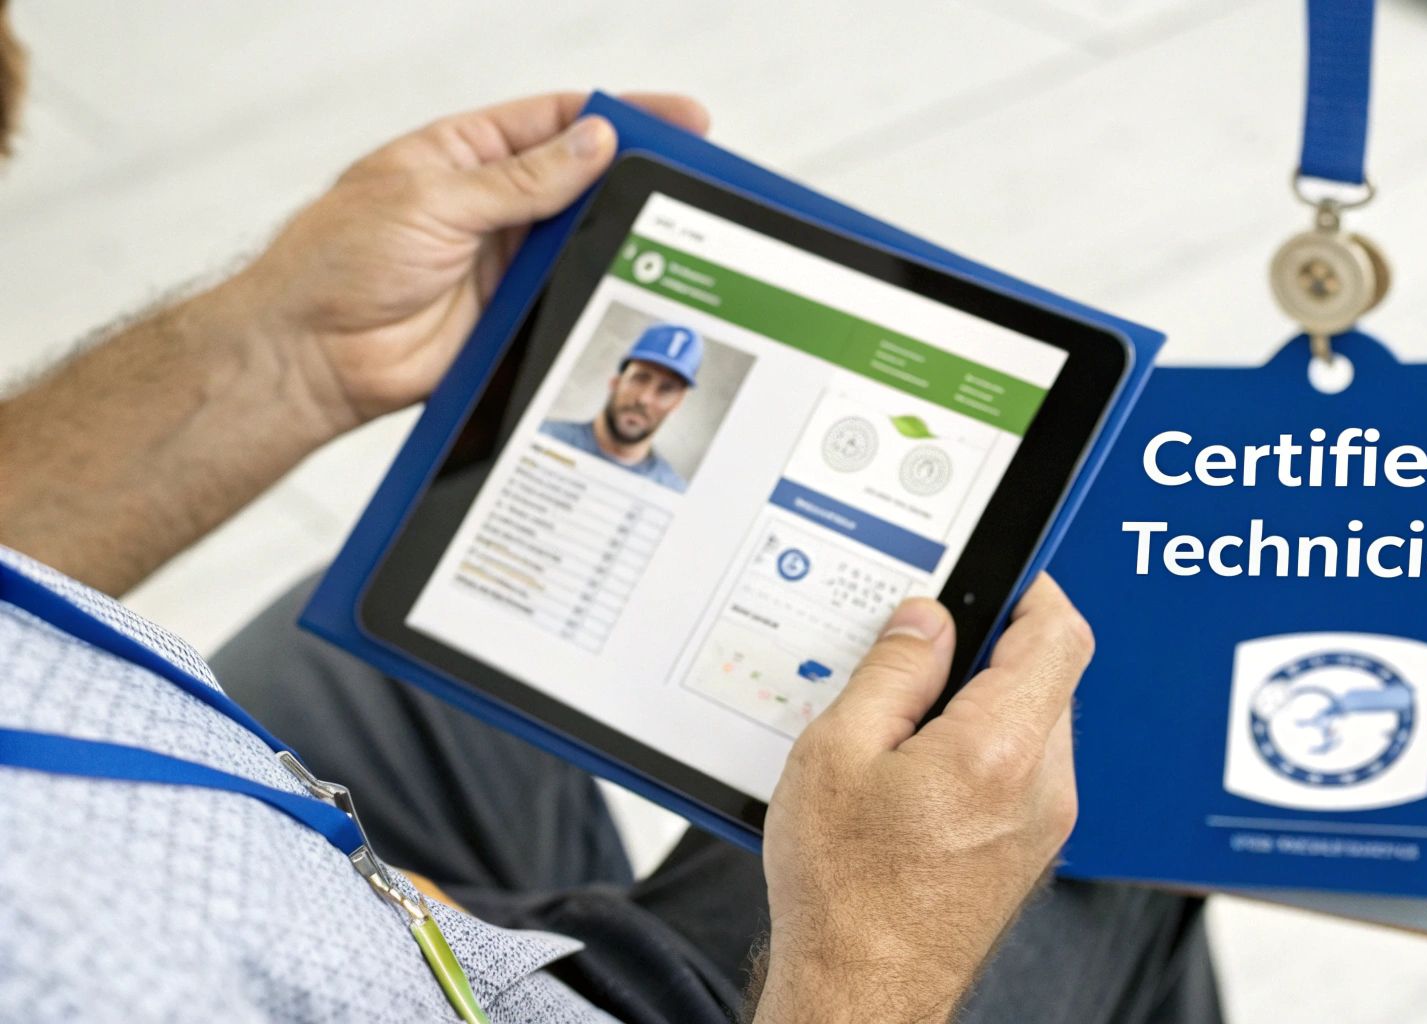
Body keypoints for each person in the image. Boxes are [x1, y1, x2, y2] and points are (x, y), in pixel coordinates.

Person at [0, 6, 1219, 1021]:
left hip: (273, 844)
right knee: (1075, 804)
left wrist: (281, 351)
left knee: (435, 589)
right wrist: (874, 966)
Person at [540, 322, 701, 492]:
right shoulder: (543, 436)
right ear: (616, 381)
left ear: (677, 403)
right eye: (640, 378)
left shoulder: (673, 491)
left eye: (666, 389)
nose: (644, 399)